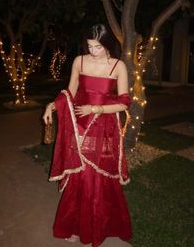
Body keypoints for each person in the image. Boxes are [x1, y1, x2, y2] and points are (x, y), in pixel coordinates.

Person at [43, 24, 132, 247]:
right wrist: (52, 106)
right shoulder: (79, 61)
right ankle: (75, 226)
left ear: (108, 45)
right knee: (79, 174)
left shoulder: (118, 66)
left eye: (98, 46)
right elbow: (70, 91)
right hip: (79, 123)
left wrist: (96, 110)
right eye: (90, 46)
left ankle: (100, 226)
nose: (92, 50)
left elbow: (124, 103)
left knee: (100, 174)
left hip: (104, 125)